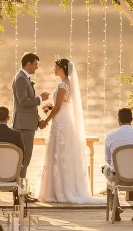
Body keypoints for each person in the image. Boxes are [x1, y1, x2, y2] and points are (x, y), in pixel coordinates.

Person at [38, 58, 103, 205]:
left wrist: (46, 121)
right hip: (66, 121)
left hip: (61, 121)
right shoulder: (69, 84)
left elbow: (58, 107)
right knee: (62, 154)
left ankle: (59, 191)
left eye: (56, 67)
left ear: (61, 69)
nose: (54, 69)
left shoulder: (62, 85)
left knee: (58, 153)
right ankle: (64, 187)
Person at [12, 52, 51, 190]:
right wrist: (40, 99)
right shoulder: (21, 78)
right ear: (28, 64)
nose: (37, 68)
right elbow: (23, 102)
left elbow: (28, 108)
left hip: (27, 123)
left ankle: (21, 190)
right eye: (35, 64)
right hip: (24, 125)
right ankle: (20, 191)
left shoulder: (24, 78)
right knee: (24, 157)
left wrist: (39, 120)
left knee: (25, 157)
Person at [103, 108, 133, 221]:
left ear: (119, 120)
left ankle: (116, 208)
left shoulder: (110, 136)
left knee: (106, 169)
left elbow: (108, 159)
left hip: (118, 177)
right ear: (131, 120)